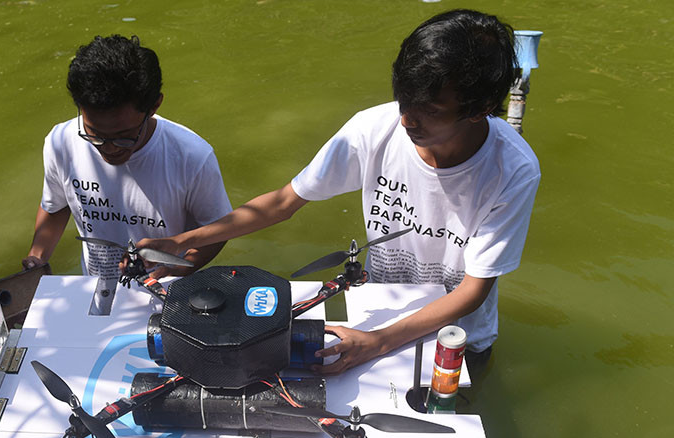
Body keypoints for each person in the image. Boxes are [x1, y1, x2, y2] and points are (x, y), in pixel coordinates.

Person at [137, 10, 540, 375]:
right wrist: (184, 240)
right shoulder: (373, 130)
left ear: (481, 107)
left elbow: (473, 290)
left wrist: (379, 342)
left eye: (431, 110)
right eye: (404, 98)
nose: (407, 120)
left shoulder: (513, 170)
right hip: (384, 307)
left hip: (455, 335)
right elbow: (283, 202)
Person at [22, 34, 232, 280]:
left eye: (124, 136)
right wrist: (38, 257)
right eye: (95, 135)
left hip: (165, 289)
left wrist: (178, 268)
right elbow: (56, 206)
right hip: (97, 285)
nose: (109, 149)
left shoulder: (191, 156)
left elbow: (218, 230)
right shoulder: (61, 142)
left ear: (154, 106)